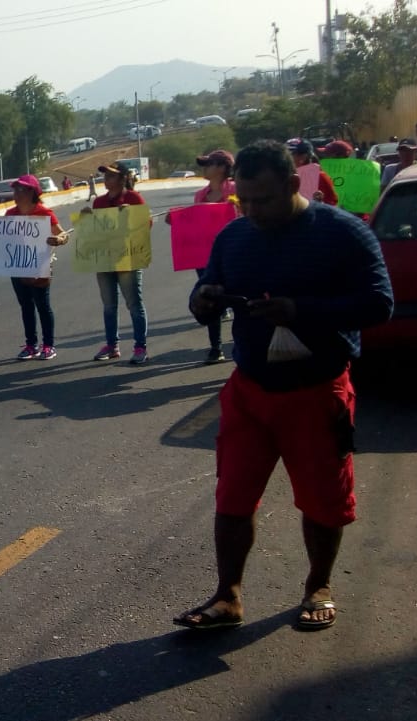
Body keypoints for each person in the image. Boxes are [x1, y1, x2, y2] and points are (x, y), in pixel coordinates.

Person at [176, 140, 393, 632]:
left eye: (264, 200)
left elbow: (380, 303)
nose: (252, 211)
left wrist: (302, 311)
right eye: (244, 201)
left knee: (323, 499)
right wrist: (203, 300)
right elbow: (207, 283)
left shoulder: (343, 233)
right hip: (250, 391)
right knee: (232, 498)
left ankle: (318, 584)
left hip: (316, 392)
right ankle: (227, 596)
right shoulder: (234, 237)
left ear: (294, 185)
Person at [166, 149, 237, 363]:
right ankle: (216, 348)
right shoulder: (200, 195)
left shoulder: (236, 190)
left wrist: (237, 208)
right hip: (206, 256)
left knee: (239, 300)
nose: (204, 168)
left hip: (233, 254)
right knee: (210, 299)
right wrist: (177, 221)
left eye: (209, 164)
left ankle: (242, 344)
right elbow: (198, 226)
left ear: (223, 168)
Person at [85, 163, 150, 364]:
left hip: (128, 259)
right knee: (109, 306)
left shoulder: (133, 198)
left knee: (134, 304)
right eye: (105, 175)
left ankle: (140, 347)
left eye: (111, 176)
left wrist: (131, 214)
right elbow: (94, 233)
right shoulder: (99, 202)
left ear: (122, 178)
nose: (106, 179)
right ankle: (112, 345)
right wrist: (87, 220)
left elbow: (146, 225)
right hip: (105, 259)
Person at [6, 175, 67, 360]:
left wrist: (59, 239)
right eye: (15, 189)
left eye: (20, 189)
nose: (15, 193)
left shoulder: (44, 213)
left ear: (32, 192)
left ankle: (48, 345)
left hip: (39, 265)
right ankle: (31, 344)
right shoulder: (10, 214)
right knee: (25, 306)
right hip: (17, 266)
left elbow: (63, 234)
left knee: (42, 305)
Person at [287, 139, 338, 205]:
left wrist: (319, 204)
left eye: (290, 154)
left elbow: (332, 204)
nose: (285, 157)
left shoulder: (319, 177)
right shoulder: (284, 175)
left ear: (303, 157)